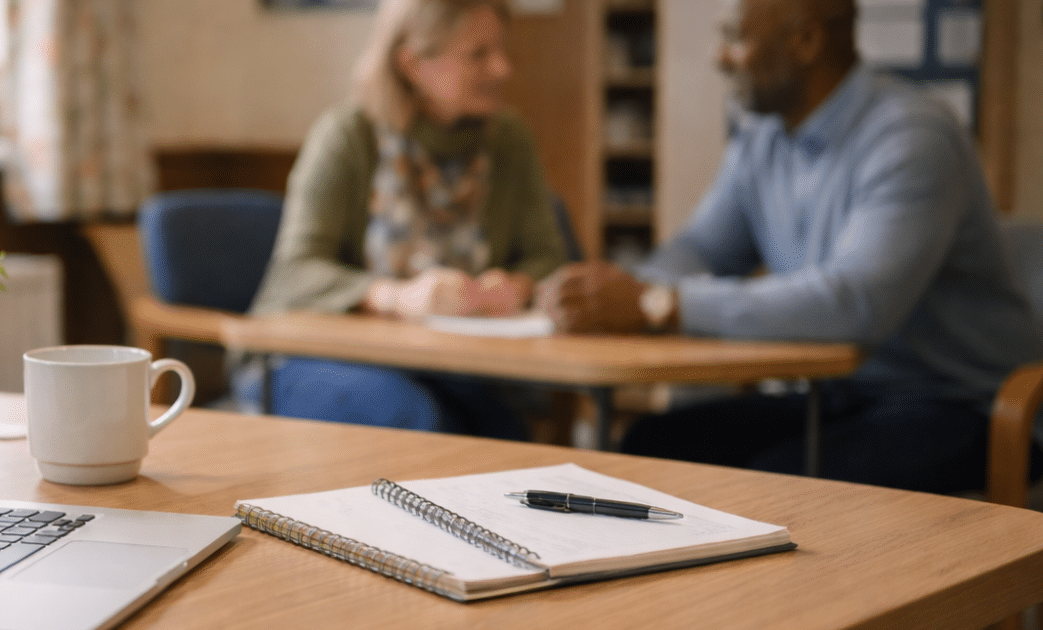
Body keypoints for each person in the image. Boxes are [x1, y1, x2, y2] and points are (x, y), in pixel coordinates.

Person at [535, 0, 1043, 493]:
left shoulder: (912, 138)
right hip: (836, 394)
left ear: (805, 41)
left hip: (961, 405)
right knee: (651, 445)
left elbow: (855, 304)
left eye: (735, 37)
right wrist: (619, 291)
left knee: (779, 484)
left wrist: (657, 303)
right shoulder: (763, 137)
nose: (719, 57)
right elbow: (701, 248)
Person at [233, 0, 569, 440]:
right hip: (310, 358)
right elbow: (294, 275)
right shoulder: (348, 136)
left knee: (504, 433)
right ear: (412, 63)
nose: (502, 68)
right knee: (420, 421)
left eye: (502, 50)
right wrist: (396, 297)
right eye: (478, 54)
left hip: (447, 364)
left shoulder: (509, 141)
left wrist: (514, 287)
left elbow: (549, 258)